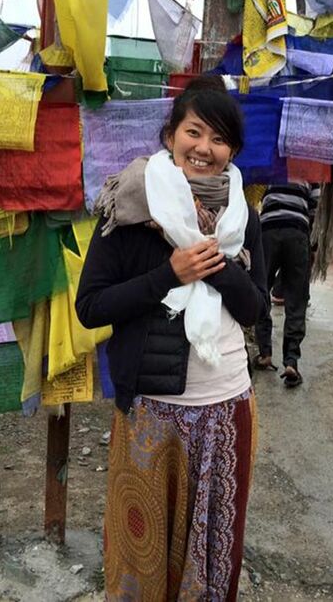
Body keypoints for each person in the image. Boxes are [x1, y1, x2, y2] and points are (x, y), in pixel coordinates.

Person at [76, 75, 267, 601]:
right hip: (152, 413)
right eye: (195, 132)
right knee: (143, 556)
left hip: (227, 407)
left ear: (231, 150)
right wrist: (169, 274)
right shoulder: (132, 204)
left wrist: (213, 265)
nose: (205, 148)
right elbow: (91, 307)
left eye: (220, 139)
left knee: (213, 553)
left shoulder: (240, 214)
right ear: (170, 135)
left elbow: (253, 307)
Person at [253, 179, 318, 387]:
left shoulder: (271, 167)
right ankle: (291, 362)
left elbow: (258, 197)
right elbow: (314, 209)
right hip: (297, 232)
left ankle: (264, 353)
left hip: (268, 231)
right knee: (297, 299)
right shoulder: (312, 170)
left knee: (261, 291)